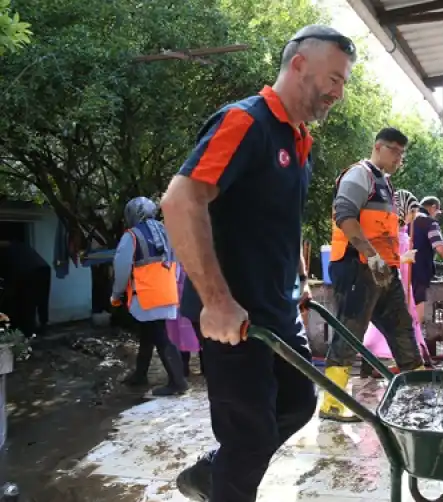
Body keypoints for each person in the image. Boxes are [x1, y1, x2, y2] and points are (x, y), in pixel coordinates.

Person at [160, 25, 357, 502]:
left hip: (277, 309)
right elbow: (181, 200)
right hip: (233, 317)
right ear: (298, 64)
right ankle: (226, 482)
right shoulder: (245, 122)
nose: (339, 91)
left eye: (344, 82)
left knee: (296, 405)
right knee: (248, 437)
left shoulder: (300, 142)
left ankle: (215, 474)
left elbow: (276, 226)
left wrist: (298, 282)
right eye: (334, 77)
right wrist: (217, 301)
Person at [320, 127, 424, 423]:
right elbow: (344, 214)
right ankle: (332, 404)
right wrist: (371, 254)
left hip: (382, 272)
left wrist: (386, 262)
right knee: (348, 333)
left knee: (401, 328)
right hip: (356, 267)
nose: (399, 158)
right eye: (394, 151)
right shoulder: (359, 175)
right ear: (378, 147)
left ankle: (419, 394)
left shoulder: (385, 185)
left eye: (402, 153)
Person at [111, 197, 188, 397]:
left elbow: (121, 266)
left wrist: (117, 293)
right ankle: (140, 374)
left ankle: (178, 382)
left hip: (145, 295)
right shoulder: (166, 231)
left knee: (160, 337)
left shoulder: (132, 235)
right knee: (148, 333)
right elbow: (178, 261)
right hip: (167, 292)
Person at [361, 189, 430, 377]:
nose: (413, 217)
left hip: (400, 284)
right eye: (412, 212)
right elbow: (382, 259)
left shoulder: (402, 232)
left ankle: (408, 363)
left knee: (401, 324)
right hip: (389, 284)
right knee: (389, 325)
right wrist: (403, 258)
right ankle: (380, 362)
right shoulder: (389, 232)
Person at [410, 196, 443, 327]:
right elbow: (441, 248)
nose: (437, 215)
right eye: (437, 211)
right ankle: (416, 339)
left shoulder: (407, 219)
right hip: (419, 271)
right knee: (417, 305)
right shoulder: (430, 223)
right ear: (433, 207)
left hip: (401, 270)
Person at [0, 241, 51, 337]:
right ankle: (43, 325)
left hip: (28, 272)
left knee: (28, 302)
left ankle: (28, 331)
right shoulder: (19, 245)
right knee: (42, 299)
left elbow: (7, 276)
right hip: (43, 268)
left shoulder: (6, 252)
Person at [165, 263, 204, 377]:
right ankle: (201, 368)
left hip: (180, 283)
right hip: (182, 283)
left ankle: (185, 369)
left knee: (183, 331)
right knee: (196, 329)